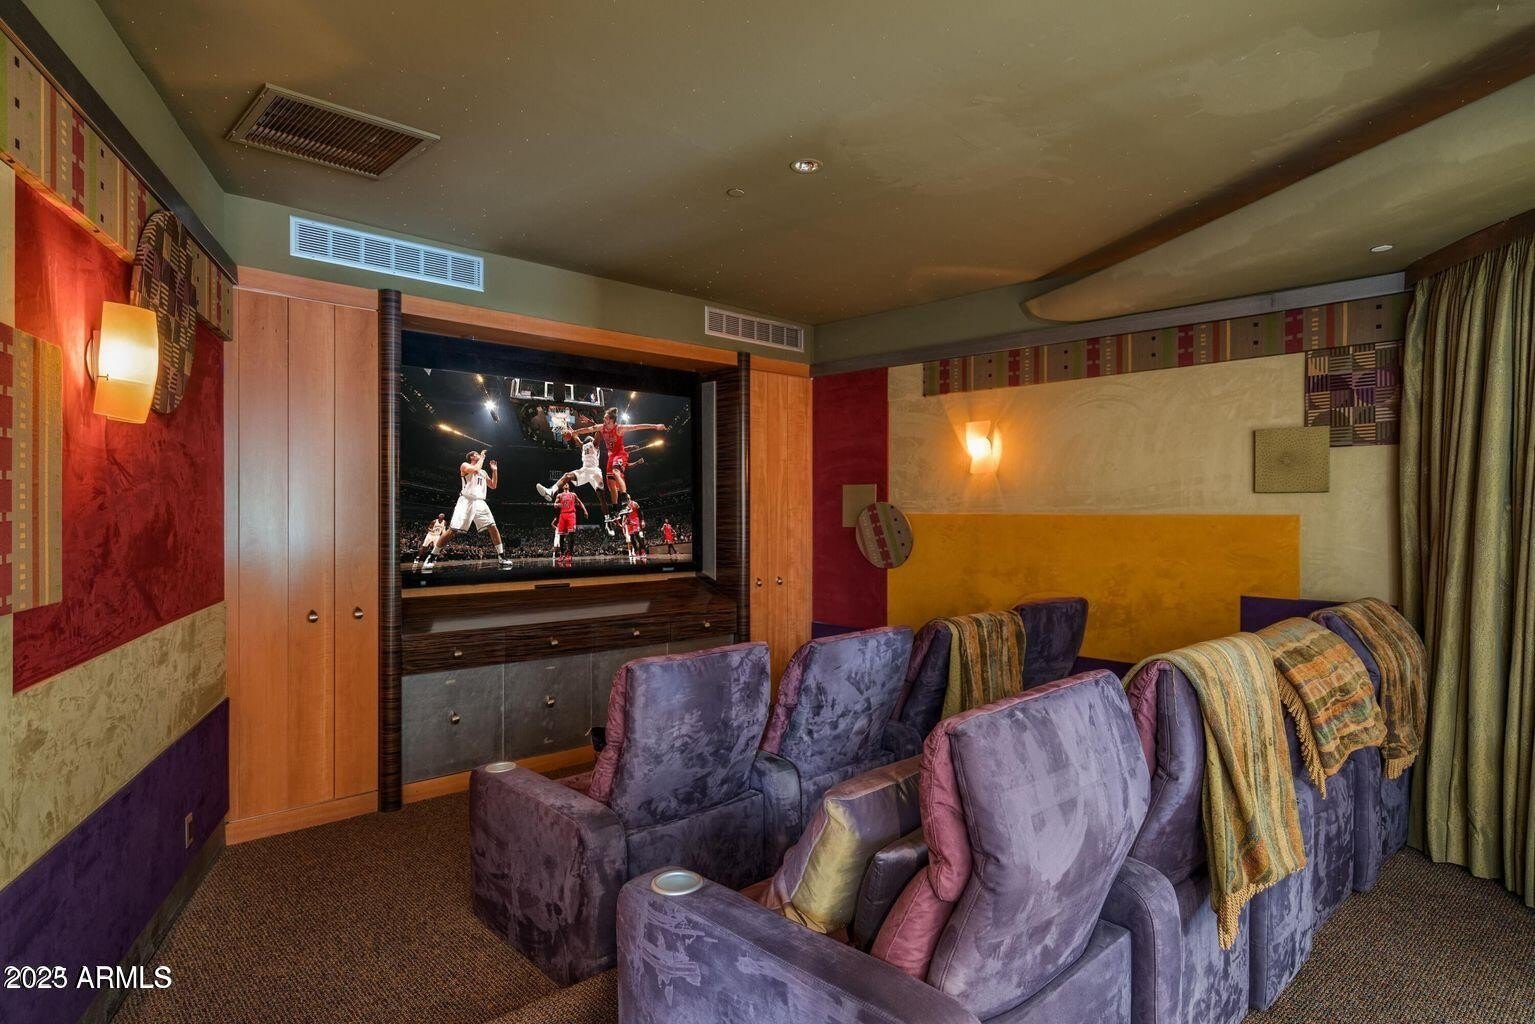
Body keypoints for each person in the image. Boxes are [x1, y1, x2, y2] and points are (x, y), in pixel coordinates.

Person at [567, 407, 668, 529]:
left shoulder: (619, 428)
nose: (604, 420)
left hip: (620, 454)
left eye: (605, 418)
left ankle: (625, 500)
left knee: (616, 472)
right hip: (611, 456)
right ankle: (615, 509)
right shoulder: (602, 428)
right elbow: (588, 429)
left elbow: (637, 426)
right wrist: (574, 432)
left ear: (611, 420)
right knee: (610, 485)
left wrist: (655, 426)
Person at [422, 450, 513, 570]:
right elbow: (475, 470)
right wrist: (482, 457)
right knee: (452, 530)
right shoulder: (464, 465)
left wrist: (494, 471)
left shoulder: (483, 472)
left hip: (480, 501)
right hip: (466, 500)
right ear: (472, 457)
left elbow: (493, 485)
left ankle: (501, 556)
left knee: (493, 526)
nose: (479, 455)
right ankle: (432, 556)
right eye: (477, 454)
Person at [536, 435, 609, 520]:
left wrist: (600, 428)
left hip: (595, 472)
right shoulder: (583, 447)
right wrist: (569, 429)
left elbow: (599, 434)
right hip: (584, 471)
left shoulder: (594, 444)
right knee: (567, 475)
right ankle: (551, 491)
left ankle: (607, 519)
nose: (590, 438)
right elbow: (575, 436)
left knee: (601, 497)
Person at [551, 480, 587, 569]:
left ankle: (569, 554)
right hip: (563, 515)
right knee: (561, 536)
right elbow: (555, 504)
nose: (566, 484)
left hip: (571, 515)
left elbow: (580, 502)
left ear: (569, 486)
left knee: (571, 535)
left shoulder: (573, 494)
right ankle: (562, 554)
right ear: (562, 487)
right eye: (564, 484)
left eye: (567, 483)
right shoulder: (559, 495)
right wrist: (557, 504)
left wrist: (585, 510)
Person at [622, 495, 647, 564]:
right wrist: (624, 522)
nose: (626, 500)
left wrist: (642, 521)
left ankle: (643, 551)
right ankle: (636, 552)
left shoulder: (634, 503)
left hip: (635, 520)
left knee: (637, 535)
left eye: (626, 498)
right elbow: (625, 515)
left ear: (629, 498)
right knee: (632, 537)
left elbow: (640, 512)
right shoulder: (625, 506)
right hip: (629, 522)